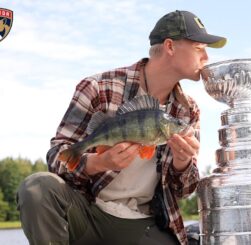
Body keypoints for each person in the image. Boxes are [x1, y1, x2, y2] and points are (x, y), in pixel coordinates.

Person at [17, 10, 226, 245]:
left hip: (144, 224)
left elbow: (184, 190)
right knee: (37, 187)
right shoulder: (98, 87)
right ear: (170, 46)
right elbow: (57, 157)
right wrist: (98, 163)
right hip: (89, 215)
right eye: (199, 48)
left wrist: (182, 163)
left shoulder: (188, 111)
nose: (206, 57)